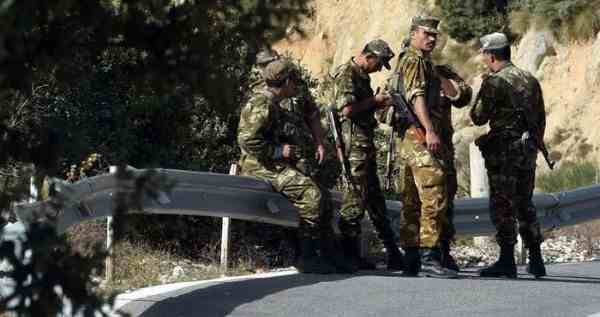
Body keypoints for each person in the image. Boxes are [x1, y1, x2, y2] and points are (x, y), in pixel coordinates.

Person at [237, 60, 337, 274]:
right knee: (311, 195)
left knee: (321, 195)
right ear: (287, 81)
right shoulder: (262, 103)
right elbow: (247, 140)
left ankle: (322, 254)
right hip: (260, 165)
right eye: (295, 81)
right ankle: (306, 257)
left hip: (271, 163)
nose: (297, 87)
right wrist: (277, 151)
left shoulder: (273, 102)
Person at [470, 32, 547, 278]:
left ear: (491, 55)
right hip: (527, 151)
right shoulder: (530, 79)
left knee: (503, 204)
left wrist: (483, 87)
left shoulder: (495, 82)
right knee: (525, 203)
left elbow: (478, 116)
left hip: (504, 154)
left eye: (484, 54)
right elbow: (540, 119)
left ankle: (506, 260)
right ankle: (536, 259)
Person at [389, 15, 458, 277]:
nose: (431, 38)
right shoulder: (415, 60)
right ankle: (429, 257)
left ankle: (412, 259)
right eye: (426, 33)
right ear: (414, 33)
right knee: (434, 189)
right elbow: (416, 97)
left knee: (412, 198)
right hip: (418, 134)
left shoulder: (415, 60)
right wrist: (429, 130)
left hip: (410, 136)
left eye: (434, 35)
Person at [331, 39, 405, 271]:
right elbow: (347, 110)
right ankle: (347, 256)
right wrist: (375, 100)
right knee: (354, 200)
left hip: (364, 146)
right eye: (378, 64)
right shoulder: (347, 74)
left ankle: (393, 253)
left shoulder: (362, 76)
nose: (377, 69)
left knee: (375, 201)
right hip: (354, 149)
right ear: (369, 56)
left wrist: (378, 104)